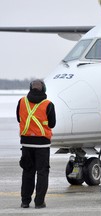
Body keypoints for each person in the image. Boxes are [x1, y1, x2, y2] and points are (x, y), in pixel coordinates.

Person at [16, 79, 56, 209]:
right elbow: (52, 124)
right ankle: (39, 202)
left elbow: (18, 118)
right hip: (42, 145)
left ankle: (25, 201)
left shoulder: (22, 101)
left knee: (27, 172)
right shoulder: (48, 104)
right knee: (42, 173)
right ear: (44, 89)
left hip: (26, 144)